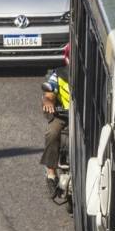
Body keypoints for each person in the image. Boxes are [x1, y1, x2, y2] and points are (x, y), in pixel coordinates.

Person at [40, 43, 71, 186]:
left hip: (83, 119)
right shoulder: (58, 74)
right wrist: (49, 101)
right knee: (52, 133)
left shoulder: (91, 75)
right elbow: (49, 92)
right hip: (63, 116)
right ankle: (51, 173)